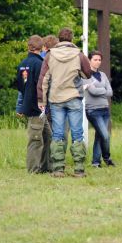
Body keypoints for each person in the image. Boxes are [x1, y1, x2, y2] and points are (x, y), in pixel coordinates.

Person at [37, 27, 92, 178]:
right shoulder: (79, 54)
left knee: (58, 134)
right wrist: (78, 72)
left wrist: (41, 100)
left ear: (59, 39)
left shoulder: (50, 55)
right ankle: (79, 169)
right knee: (77, 133)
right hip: (74, 97)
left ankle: (58, 169)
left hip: (56, 99)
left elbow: (43, 80)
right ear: (72, 39)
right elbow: (88, 73)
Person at [16, 35, 52, 173]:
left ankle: (45, 166)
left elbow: (20, 86)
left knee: (48, 136)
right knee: (35, 139)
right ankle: (33, 170)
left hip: (31, 106)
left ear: (28, 47)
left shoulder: (22, 64)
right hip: (37, 107)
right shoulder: (40, 64)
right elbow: (43, 85)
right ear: (42, 47)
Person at [83, 50, 115, 168]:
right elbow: (93, 91)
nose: (98, 62)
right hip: (93, 110)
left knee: (100, 135)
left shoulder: (103, 75)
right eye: (95, 59)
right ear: (89, 60)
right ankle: (106, 157)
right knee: (105, 135)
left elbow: (110, 92)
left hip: (105, 110)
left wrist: (99, 90)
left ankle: (96, 162)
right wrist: (103, 91)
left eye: (99, 60)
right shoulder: (86, 74)